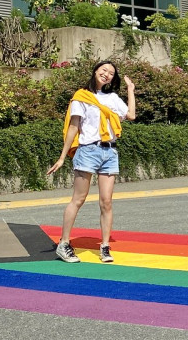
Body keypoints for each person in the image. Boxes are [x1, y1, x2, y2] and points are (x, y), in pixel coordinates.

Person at [48, 60, 135, 264]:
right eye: (104, 70)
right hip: (88, 150)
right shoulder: (82, 97)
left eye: (111, 73)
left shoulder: (112, 98)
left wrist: (130, 90)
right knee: (78, 199)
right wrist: (62, 156)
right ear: (96, 70)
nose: (107, 74)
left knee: (106, 202)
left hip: (109, 152)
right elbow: (73, 127)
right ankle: (64, 244)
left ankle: (104, 246)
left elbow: (130, 115)